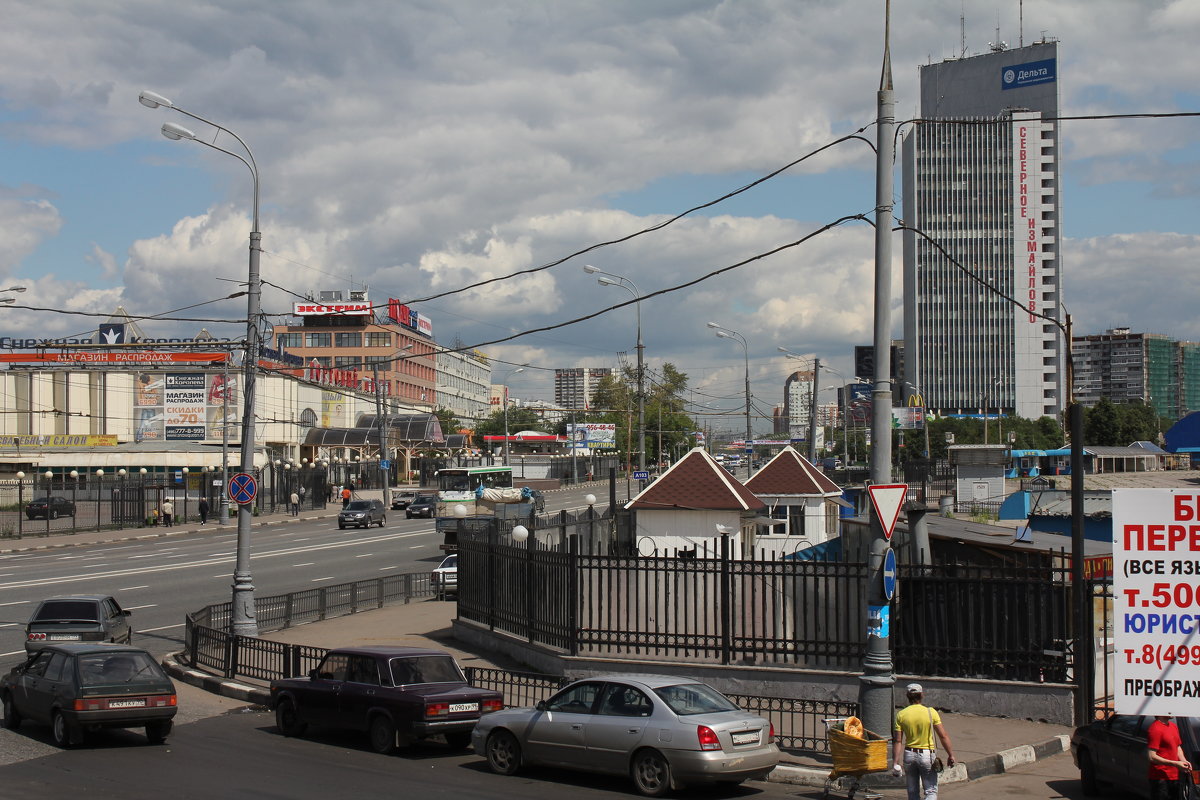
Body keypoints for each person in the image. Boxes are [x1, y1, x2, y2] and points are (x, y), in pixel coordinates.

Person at [892, 683, 957, 800]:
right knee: (930, 791)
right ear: (922, 695)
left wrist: (896, 762)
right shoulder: (930, 712)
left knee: (912, 792)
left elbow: (898, 741)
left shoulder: (901, 714)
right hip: (927, 755)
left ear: (907, 696)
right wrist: (950, 754)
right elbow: (943, 736)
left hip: (909, 755)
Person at [1148, 715, 1191, 799]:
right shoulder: (1155, 729)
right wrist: (1175, 763)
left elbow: (1177, 747)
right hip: (1160, 778)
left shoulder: (1173, 726)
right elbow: (1151, 756)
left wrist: (1184, 761)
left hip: (1174, 776)